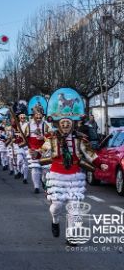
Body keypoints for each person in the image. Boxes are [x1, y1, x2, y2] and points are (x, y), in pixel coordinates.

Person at [37, 88, 108, 243]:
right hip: (57, 176)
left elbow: (91, 154)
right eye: (62, 123)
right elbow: (42, 152)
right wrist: (35, 153)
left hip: (75, 177)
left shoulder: (80, 139)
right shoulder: (52, 139)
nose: (65, 125)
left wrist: (100, 164)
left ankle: (71, 236)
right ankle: (55, 221)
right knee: (56, 207)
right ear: (59, 124)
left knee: (75, 209)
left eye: (68, 123)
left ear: (72, 124)